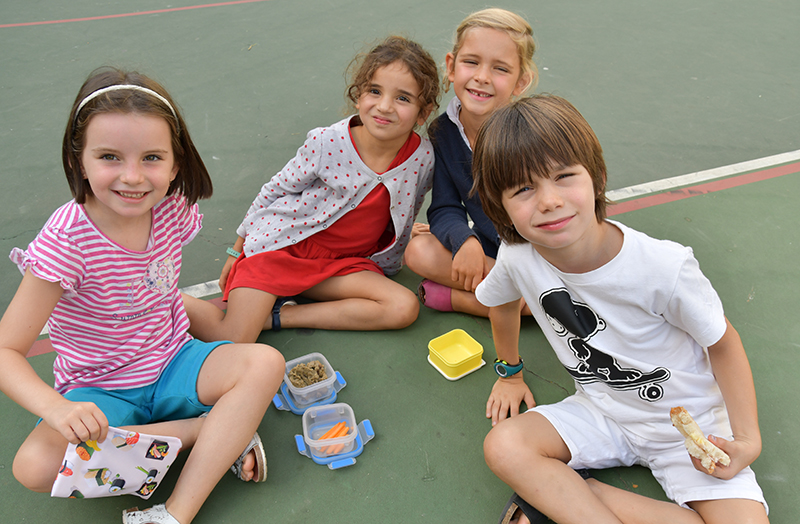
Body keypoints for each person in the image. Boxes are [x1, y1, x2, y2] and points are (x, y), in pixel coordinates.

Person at [0, 67, 285, 524]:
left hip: (173, 362)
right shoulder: (66, 240)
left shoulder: (172, 206)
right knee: (33, 467)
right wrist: (57, 408)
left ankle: (173, 514)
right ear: (79, 162)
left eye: (152, 157)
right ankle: (211, 429)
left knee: (265, 363)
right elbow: (5, 350)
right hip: (101, 390)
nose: (132, 177)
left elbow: (154, 291)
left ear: (175, 164)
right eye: (109, 156)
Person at [472, 95, 768, 523]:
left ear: (597, 178)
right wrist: (510, 373)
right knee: (504, 445)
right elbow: (500, 305)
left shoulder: (662, 266)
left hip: (689, 424)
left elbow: (723, 343)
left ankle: (583, 493)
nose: (549, 200)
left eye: (563, 176)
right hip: (603, 410)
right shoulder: (518, 255)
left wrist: (748, 440)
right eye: (523, 189)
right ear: (498, 206)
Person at [183, 36, 440, 342]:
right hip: (283, 250)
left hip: (342, 265)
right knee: (235, 337)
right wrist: (236, 250)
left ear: (423, 112)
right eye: (375, 91)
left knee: (403, 307)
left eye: (403, 98)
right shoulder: (327, 142)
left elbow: (407, 203)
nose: (384, 106)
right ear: (358, 95)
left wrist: (405, 234)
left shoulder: (423, 157)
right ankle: (160, 301)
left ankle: (278, 316)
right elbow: (274, 190)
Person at [403, 8, 536, 317]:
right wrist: (464, 241)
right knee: (418, 251)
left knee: (549, 297)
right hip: (492, 251)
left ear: (521, 81)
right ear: (451, 66)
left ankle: (458, 299)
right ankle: (518, 300)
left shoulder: (531, 131)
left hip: (540, 251)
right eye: (471, 62)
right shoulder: (443, 133)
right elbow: (445, 208)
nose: (482, 77)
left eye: (500, 68)